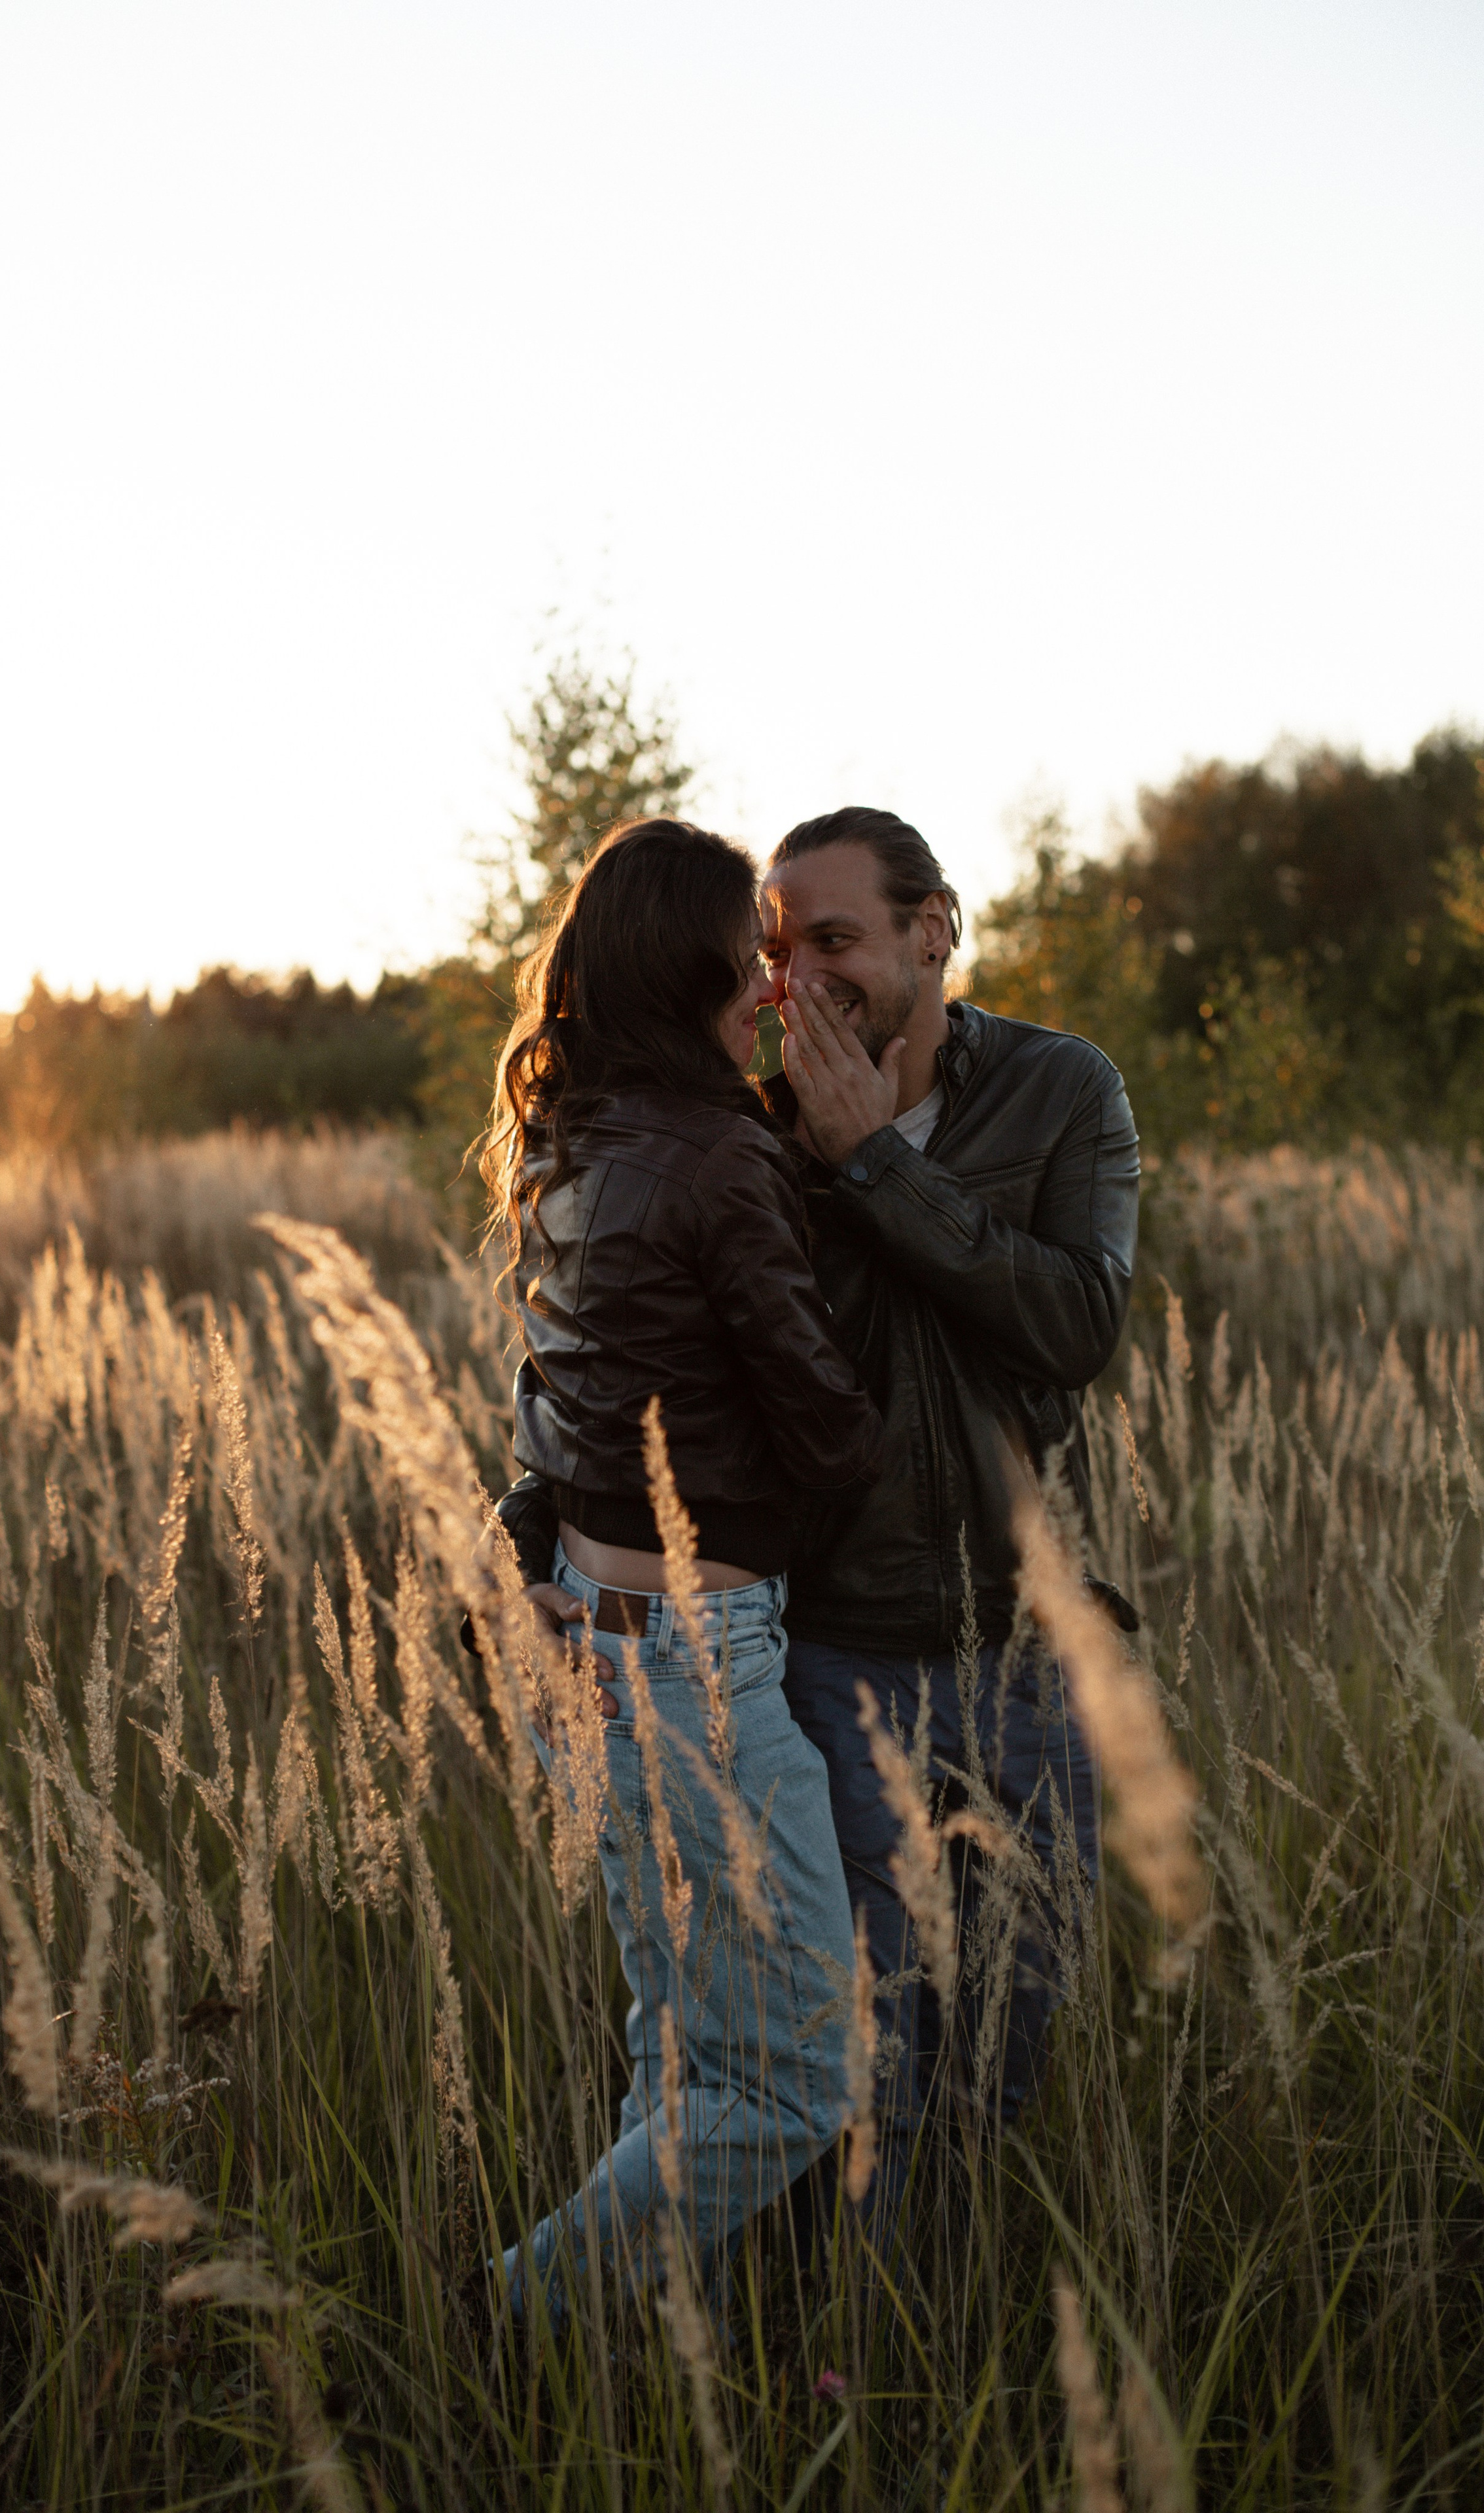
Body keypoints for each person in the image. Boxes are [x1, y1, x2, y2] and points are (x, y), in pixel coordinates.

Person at [503, 805, 1140, 2240]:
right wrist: (527, 1537)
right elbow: (612, 1356)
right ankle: (850, 2348)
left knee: (1009, 2036)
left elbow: (1076, 1322)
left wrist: (879, 1168)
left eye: (834, 941)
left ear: (933, 932)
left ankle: (949, 2323)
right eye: (777, 951)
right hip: (825, 1654)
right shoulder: (740, 1118)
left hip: (1028, 1652)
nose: (797, 981)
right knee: (863, 2054)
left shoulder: (1056, 1091)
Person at [482, 815, 883, 2321]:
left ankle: (620, 2360)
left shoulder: (574, 1138)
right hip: (696, 1668)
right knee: (793, 2082)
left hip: (592, 1629)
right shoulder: (720, 1156)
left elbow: (562, 1403)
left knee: (687, 2053)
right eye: (754, 957)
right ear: (694, 969)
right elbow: (831, 1438)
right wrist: (857, 1189)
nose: (774, 987)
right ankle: (512, 2317)